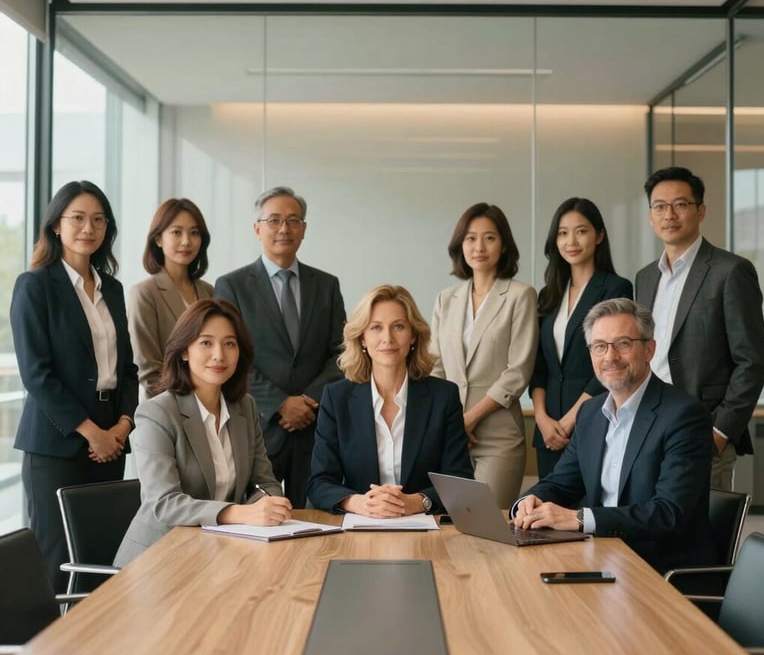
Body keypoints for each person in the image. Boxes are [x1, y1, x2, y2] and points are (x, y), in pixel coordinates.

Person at [512, 298, 716, 574]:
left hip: (658, 570)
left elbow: (668, 513)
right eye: (599, 347)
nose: (610, 357)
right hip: (598, 556)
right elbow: (561, 483)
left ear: (649, 349)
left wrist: (580, 519)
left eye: (623, 344)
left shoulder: (684, 415)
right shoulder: (590, 413)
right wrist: (528, 502)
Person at [10, 180, 138, 590]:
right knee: (58, 559)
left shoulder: (112, 289)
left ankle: (96, 650)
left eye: (98, 220)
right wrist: (90, 432)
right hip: (58, 444)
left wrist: (122, 425)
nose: (89, 228)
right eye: (78, 218)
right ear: (56, 226)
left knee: (101, 556)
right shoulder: (35, 286)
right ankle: (48, 654)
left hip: (110, 441)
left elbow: (128, 369)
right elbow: (37, 374)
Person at [114, 298, 290, 565]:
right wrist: (240, 513)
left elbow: (264, 482)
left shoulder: (245, 407)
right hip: (158, 560)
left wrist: (268, 505)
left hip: (219, 553)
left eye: (230, 344)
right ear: (184, 351)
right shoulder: (157, 413)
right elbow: (165, 503)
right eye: (206, 343)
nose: (219, 355)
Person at [635, 166, 764, 491]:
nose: (669, 214)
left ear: (700, 210)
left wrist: (720, 433)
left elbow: (752, 361)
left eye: (680, 204)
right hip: (648, 426)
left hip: (702, 427)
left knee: (702, 535)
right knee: (648, 530)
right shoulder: (645, 278)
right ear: (651, 216)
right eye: (660, 206)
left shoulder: (731, 271)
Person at [215, 186, 345, 507]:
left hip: (315, 427)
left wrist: (308, 401)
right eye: (274, 220)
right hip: (260, 425)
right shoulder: (231, 286)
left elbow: (341, 353)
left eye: (293, 221)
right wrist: (280, 404)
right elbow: (231, 356)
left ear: (303, 230)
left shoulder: (326, 285)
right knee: (260, 518)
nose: (284, 229)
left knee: (314, 520)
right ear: (257, 229)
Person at [307, 285, 473, 515]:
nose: (388, 338)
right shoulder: (337, 398)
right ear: (362, 338)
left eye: (399, 326)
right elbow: (319, 483)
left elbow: (461, 480)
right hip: (359, 527)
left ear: (413, 335)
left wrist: (417, 502)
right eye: (376, 327)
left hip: (424, 528)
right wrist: (359, 503)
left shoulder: (443, 396)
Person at [430, 203, 538, 508]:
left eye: (489, 238)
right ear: (459, 245)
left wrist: (470, 418)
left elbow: (517, 371)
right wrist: (451, 423)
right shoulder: (446, 299)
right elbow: (436, 368)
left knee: (488, 524)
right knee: (449, 525)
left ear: (504, 245)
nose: (479, 247)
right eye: (470, 238)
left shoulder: (520, 295)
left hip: (497, 434)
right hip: (451, 435)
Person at [530, 198, 633, 479]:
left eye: (581, 231)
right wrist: (541, 418)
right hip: (548, 427)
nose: (571, 241)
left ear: (599, 236)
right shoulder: (548, 295)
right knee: (547, 510)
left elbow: (611, 361)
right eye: (563, 233)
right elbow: (538, 366)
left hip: (592, 417)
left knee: (584, 514)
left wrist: (570, 419)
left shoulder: (615, 287)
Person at [128, 198, 214, 399]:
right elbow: (147, 368)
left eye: (194, 233)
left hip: (211, 406)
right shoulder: (144, 293)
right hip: (166, 408)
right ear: (158, 239)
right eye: (176, 232)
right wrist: (192, 401)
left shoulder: (210, 292)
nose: (186, 241)